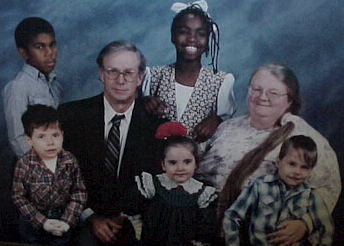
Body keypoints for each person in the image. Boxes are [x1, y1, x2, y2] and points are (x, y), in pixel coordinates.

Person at [196, 63, 341, 245]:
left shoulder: (301, 136)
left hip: (260, 235)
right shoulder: (227, 127)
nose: (262, 97)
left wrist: (305, 224)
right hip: (209, 229)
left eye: (274, 93)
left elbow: (329, 184)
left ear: (289, 100)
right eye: (256, 89)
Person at [58, 40, 165, 246]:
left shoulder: (157, 128)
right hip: (81, 217)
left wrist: (127, 217)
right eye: (112, 71)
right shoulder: (70, 116)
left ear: (140, 78)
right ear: (100, 74)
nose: (120, 80)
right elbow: (60, 176)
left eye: (128, 73)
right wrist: (89, 217)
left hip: (135, 221)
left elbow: (158, 182)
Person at [141, 0, 235, 142]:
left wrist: (217, 120)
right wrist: (144, 103)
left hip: (201, 160)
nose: (192, 38)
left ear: (208, 39)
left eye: (201, 33)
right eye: (184, 32)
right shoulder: (152, 76)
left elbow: (228, 126)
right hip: (156, 159)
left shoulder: (221, 81)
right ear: (172, 36)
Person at [223, 135, 334, 246]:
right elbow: (232, 216)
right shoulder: (259, 186)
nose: (297, 171)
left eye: (304, 167)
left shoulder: (311, 195)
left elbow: (327, 228)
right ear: (278, 162)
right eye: (292, 164)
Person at [12, 104, 87, 245]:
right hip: (33, 222)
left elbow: (79, 193)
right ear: (29, 140)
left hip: (63, 219)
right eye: (41, 137)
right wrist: (43, 222)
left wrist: (67, 221)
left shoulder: (70, 161)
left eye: (55, 135)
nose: (50, 142)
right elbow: (19, 197)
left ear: (62, 135)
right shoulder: (24, 164)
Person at [133, 121, 217, 246]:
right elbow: (133, 208)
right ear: (163, 164)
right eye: (173, 163)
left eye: (187, 162)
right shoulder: (153, 185)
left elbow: (206, 226)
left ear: (196, 164)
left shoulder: (201, 192)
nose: (180, 168)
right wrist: (139, 231)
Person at [2, 17, 62, 158]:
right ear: (23, 53)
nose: (50, 53)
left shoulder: (55, 85)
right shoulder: (18, 87)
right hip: (34, 169)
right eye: (40, 47)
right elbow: (18, 139)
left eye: (52, 45)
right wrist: (43, 169)